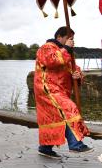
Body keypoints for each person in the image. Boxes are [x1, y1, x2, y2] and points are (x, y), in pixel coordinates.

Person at [34, 26, 92, 158]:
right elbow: (51, 61)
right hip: (47, 88)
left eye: (72, 39)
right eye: (69, 38)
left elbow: (73, 69)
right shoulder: (47, 47)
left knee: (52, 119)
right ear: (59, 37)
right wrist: (66, 48)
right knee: (69, 109)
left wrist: (77, 76)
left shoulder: (68, 52)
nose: (72, 41)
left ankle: (45, 148)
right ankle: (76, 145)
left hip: (59, 90)